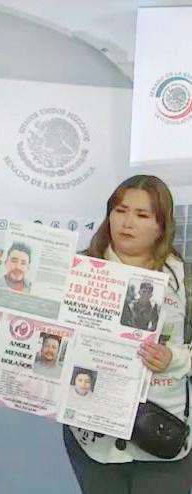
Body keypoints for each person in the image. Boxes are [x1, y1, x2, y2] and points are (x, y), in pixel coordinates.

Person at [58, 175, 192, 494]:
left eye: (142, 215)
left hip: (164, 432)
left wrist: (173, 359)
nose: (127, 223)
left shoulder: (184, 278)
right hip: (93, 435)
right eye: (120, 211)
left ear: (161, 225)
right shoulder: (77, 270)